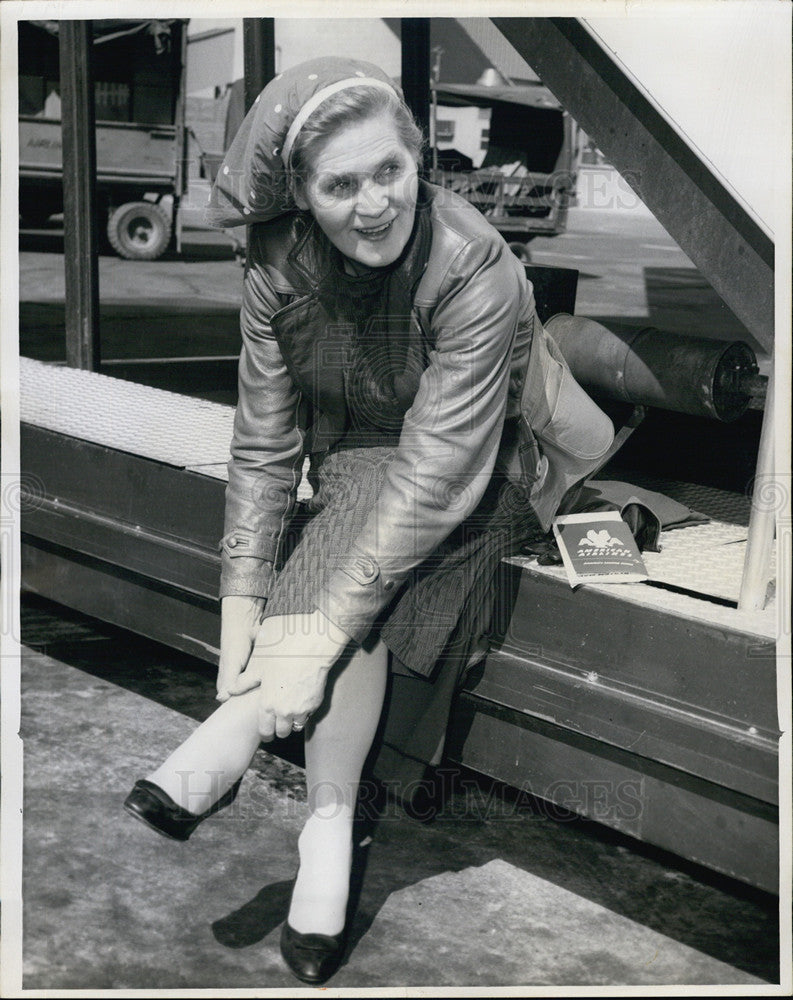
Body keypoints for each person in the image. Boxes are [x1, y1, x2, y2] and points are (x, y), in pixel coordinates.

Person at [123, 56, 613, 985]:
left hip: (498, 463)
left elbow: (436, 474)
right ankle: (328, 832)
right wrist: (239, 607)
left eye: (389, 172)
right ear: (300, 196)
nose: (375, 204)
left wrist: (292, 655)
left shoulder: (474, 263)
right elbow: (266, 446)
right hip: (365, 470)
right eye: (340, 185)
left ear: (417, 162)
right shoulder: (275, 267)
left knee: (359, 531)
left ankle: (242, 746)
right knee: (353, 514)